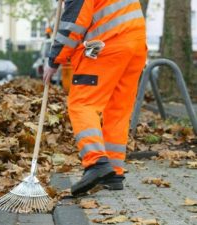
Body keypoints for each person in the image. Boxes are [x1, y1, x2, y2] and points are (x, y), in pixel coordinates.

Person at [43, 0, 147, 196]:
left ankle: (96, 162)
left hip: (106, 47)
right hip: (135, 45)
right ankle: (113, 174)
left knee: (82, 104)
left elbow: (74, 24)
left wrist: (54, 59)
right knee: (118, 110)